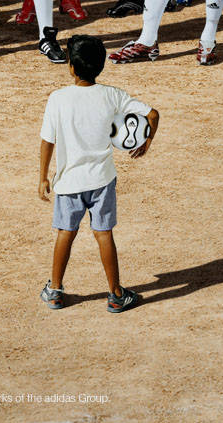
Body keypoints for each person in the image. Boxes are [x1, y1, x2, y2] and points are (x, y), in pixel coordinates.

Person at [38, 34, 157, 312]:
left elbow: (48, 141)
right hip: (102, 181)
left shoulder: (58, 98)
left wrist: (43, 176)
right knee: (104, 234)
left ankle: (55, 291)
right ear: (101, 66)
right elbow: (152, 114)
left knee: (65, 233)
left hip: (69, 183)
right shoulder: (112, 95)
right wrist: (146, 139)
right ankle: (116, 295)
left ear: (71, 66)